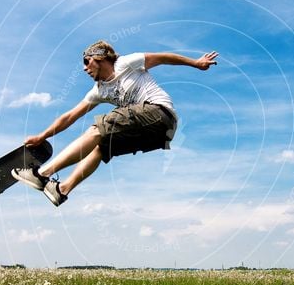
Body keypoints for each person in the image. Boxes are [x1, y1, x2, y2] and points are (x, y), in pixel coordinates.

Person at [12, 40, 219, 206]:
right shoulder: (99, 91)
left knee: (99, 128)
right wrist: (42, 136)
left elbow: (163, 58)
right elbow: (70, 116)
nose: (85, 69)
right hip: (157, 134)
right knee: (102, 147)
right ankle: (62, 190)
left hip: (159, 113)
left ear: (99, 58)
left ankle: (41, 174)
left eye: (86, 62)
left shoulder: (126, 63)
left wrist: (196, 63)